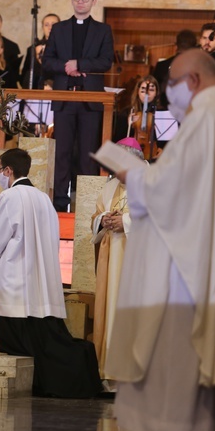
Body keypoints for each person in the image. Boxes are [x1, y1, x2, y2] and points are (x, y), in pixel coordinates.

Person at [105, 49, 215, 431]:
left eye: (172, 84)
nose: (167, 95)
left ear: (195, 82)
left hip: (190, 257)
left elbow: (170, 189)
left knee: (173, 342)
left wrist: (131, 173)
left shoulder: (207, 118)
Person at [0, 148, 102, 398]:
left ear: (8, 171)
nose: (0, 175)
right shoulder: (43, 199)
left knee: (15, 341)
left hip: (14, 282)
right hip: (39, 281)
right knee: (42, 342)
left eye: (0, 171)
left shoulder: (10, 197)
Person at [42, 0, 114, 212]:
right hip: (64, 98)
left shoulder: (103, 30)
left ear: (93, 1)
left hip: (89, 101)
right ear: (72, 0)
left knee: (87, 155)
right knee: (61, 153)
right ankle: (60, 203)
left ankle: (86, 203)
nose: (80, 1)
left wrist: (80, 65)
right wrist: (67, 67)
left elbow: (106, 61)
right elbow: (47, 61)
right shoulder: (59, 28)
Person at [90, 138, 144, 378]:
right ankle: (109, 374)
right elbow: (95, 214)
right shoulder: (110, 187)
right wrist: (103, 219)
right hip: (110, 261)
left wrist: (127, 221)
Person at [152, 29, 197, 109]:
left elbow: (154, 92)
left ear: (176, 46)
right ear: (194, 48)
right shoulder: (199, 67)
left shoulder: (161, 66)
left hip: (165, 111)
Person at [113, 75, 159, 150]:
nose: (147, 93)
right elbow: (117, 140)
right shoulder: (126, 112)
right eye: (143, 90)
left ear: (156, 93)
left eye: (151, 90)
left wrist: (162, 149)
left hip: (153, 151)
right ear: (138, 91)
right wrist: (128, 125)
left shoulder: (160, 112)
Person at [21, 13, 61, 89]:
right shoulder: (32, 49)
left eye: (54, 24)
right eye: (46, 25)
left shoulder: (67, 48)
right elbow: (25, 74)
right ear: (42, 28)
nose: (50, 27)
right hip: (36, 89)